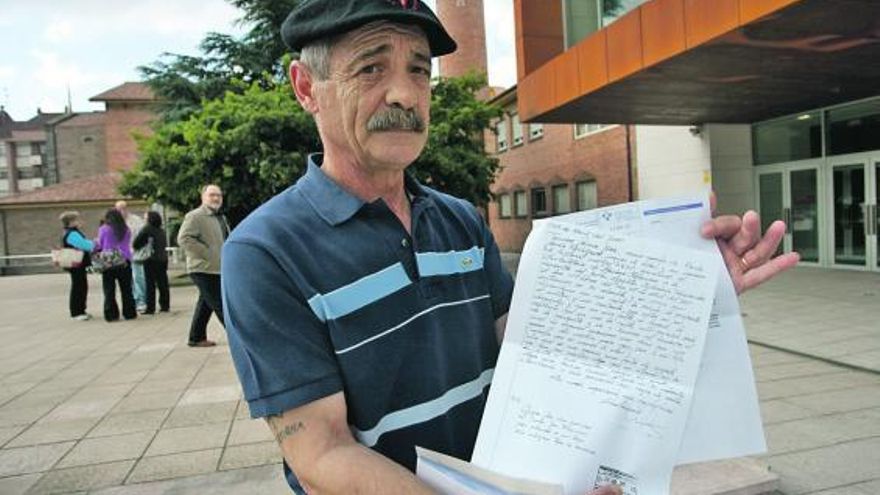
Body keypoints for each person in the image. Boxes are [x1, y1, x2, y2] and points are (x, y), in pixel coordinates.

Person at [221, 1, 800, 494]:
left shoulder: (460, 222)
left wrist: (684, 291)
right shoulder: (265, 252)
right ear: (306, 88)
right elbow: (321, 456)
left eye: (420, 71)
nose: (404, 91)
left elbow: (536, 355)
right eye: (371, 68)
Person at [177, 184, 229, 347]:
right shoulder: (195, 216)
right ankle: (239, 338)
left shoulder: (220, 217)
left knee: (206, 304)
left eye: (218, 195)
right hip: (202, 268)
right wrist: (207, 254)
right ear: (203, 198)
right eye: (212, 195)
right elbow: (184, 239)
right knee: (220, 304)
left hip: (216, 268)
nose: (216, 198)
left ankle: (196, 337)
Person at [95, 208, 137, 322]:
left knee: (109, 289)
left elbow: (100, 244)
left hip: (109, 260)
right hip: (124, 259)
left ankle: (111, 314)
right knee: (126, 289)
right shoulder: (126, 229)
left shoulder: (104, 229)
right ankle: (129, 312)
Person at [59, 211, 94, 321]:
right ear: (71, 222)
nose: (80, 221)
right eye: (77, 219)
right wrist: (96, 244)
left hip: (76, 264)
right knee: (79, 286)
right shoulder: (72, 233)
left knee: (81, 285)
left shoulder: (68, 232)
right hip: (76, 263)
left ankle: (81, 310)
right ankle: (77, 312)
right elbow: (84, 245)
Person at [133, 211, 170, 314]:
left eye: (145, 218)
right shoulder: (161, 230)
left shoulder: (147, 229)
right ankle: (165, 305)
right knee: (163, 283)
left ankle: (150, 307)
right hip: (162, 258)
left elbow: (136, 243)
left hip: (151, 259)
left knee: (150, 284)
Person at [116, 200, 147, 312]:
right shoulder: (115, 222)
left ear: (126, 209)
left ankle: (141, 300)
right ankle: (133, 300)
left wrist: (136, 248)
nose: (120, 212)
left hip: (135, 253)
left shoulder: (136, 221)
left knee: (138, 277)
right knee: (128, 280)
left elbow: (142, 236)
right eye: (118, 209)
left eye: (122, 209)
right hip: (121, 255)